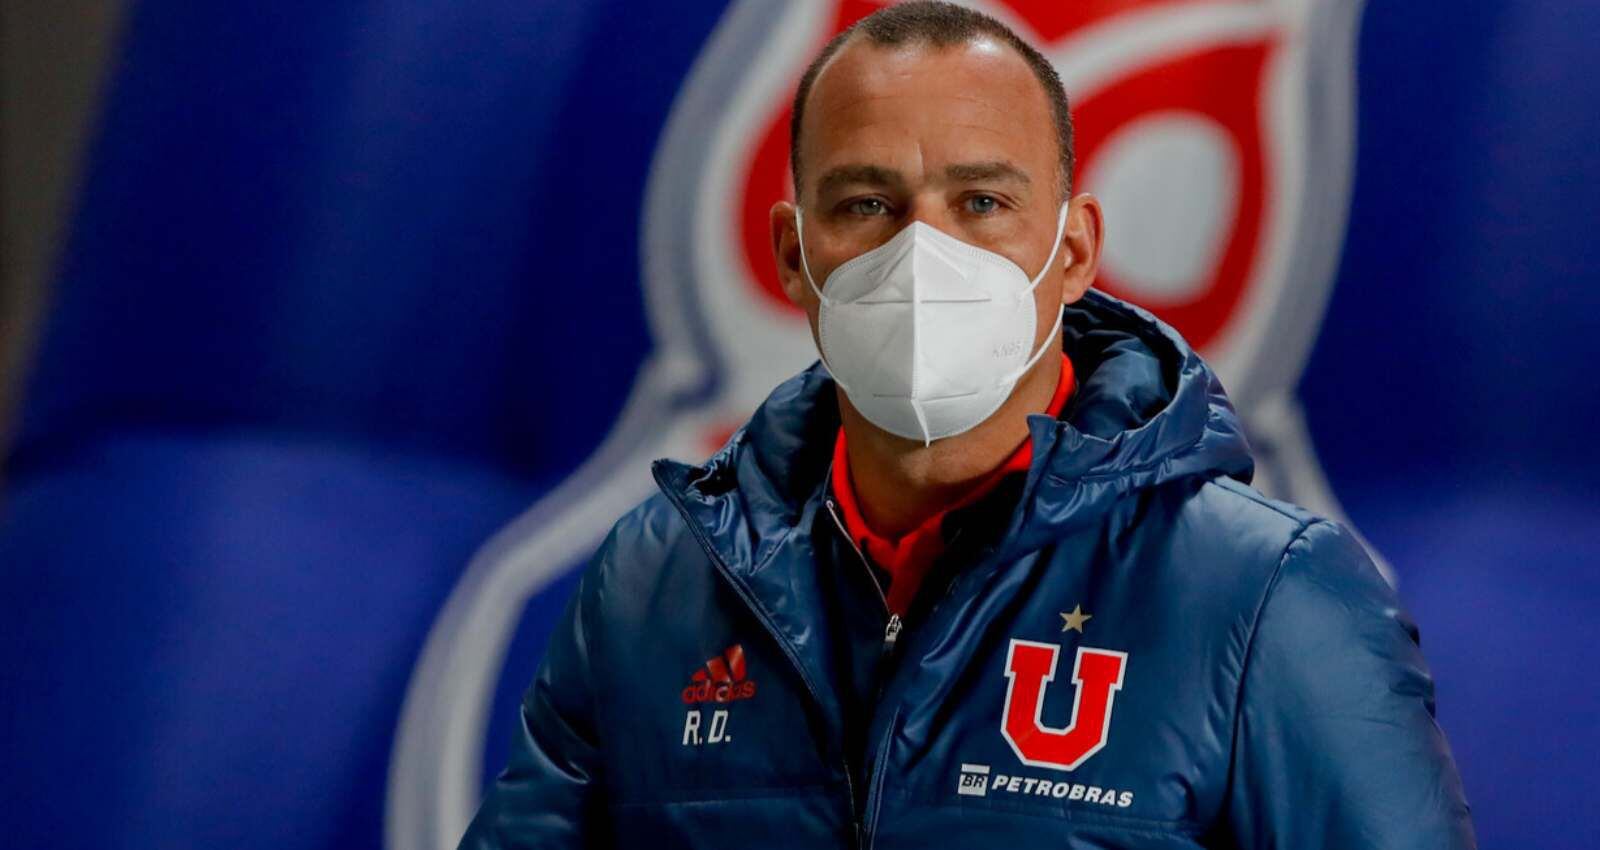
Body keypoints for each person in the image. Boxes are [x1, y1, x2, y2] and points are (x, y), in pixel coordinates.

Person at [458, 2, 1476, 847]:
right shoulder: (656, 583)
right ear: (792, 254)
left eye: (982, 202)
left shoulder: (1262, 596)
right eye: (866, 204)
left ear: (1073, 252)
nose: (922, 255)